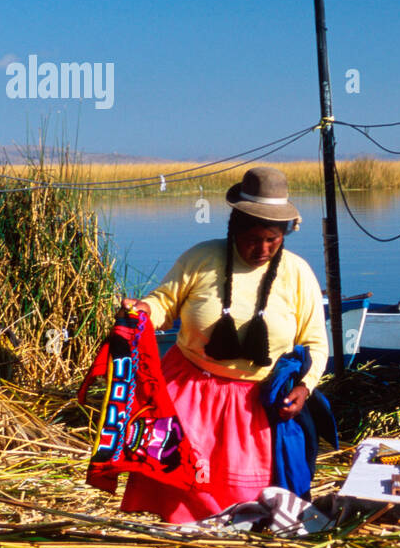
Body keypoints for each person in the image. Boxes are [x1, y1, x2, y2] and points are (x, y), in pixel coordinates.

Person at [119, 166, 328, 523]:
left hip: (254, 406)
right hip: (189, 391)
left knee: (245, 507)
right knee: (181, 489)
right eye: (251, 238)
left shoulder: (297, 273)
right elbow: (164, 305)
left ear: (284, 235)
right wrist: (142, 311)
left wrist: (306, 388)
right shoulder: (201, 258)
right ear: (234, 226)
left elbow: (315, 344)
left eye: (272, 240)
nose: (261, 249)